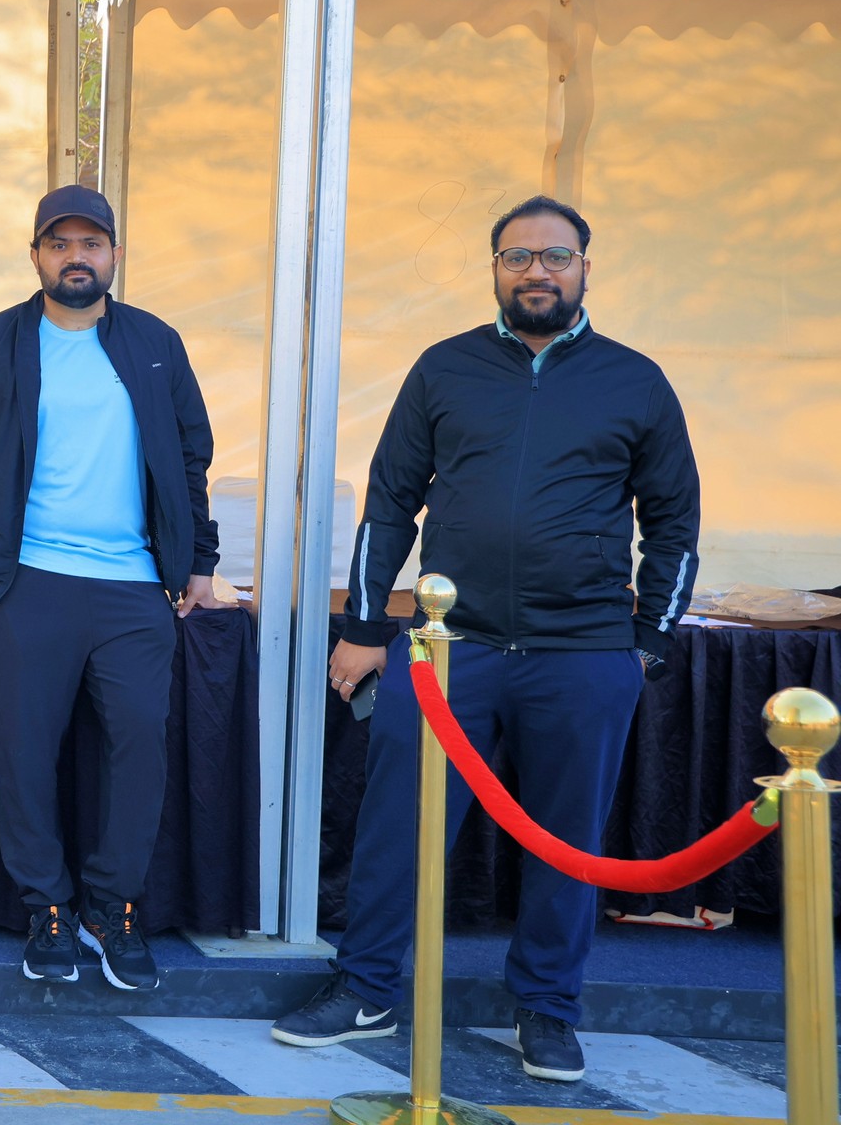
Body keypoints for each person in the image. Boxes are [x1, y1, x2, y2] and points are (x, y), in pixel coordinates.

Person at [273, 195, 700, 1085]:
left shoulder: (636, 381)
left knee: (565, 841)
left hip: (583, 652)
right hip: (447, 648)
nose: (536, 271)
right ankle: (367, 989)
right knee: (396, 829)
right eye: (518, 257)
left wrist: (647, 646)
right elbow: (389, 502)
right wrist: (366, 629)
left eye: (555, 256)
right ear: (496, 269)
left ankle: (546, 1008)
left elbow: (675, 522)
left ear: (586, 268)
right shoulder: (444, 367)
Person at [0, 185, 218, 997]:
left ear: (115, 255)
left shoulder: (154, 343)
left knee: (139, 747)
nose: (77, 257)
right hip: (24, 579)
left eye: (91, 243)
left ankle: (114, 908)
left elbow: (190, 457)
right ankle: (47, 907)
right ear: (36, 255)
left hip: (133, 584)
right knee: (25, 753)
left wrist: (199, 561)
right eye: (60, 243)